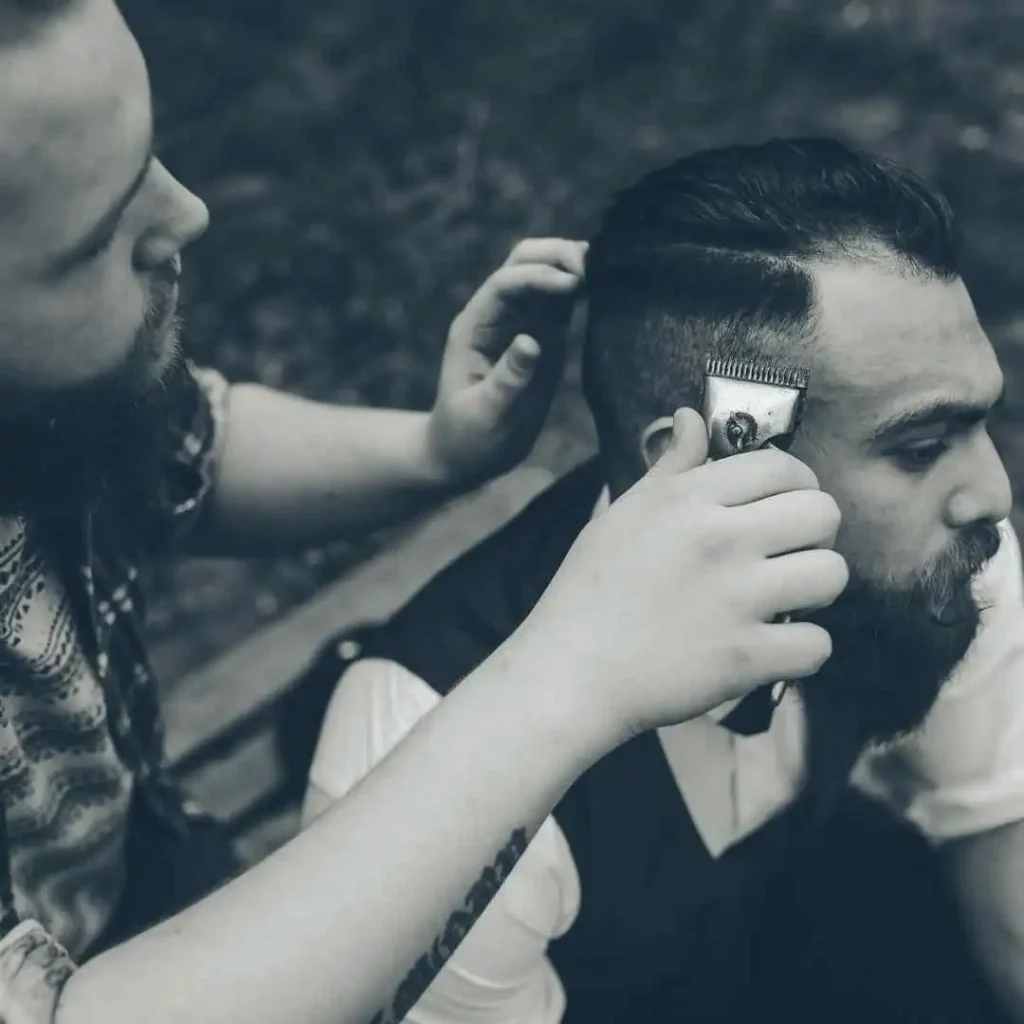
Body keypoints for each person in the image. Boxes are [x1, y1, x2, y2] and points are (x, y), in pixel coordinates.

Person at [0, 2, 850, 1023]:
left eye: (150, 158)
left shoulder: (44, 391)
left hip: (138, 859)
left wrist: (437, 453)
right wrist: (568, 670)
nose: (187, 216)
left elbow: (183, 453)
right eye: (97, 238)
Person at [304, 137, 1024, 1024]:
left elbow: (1004, 849)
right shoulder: (422, 768)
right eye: (918, 447)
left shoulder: (939, 546)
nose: (992, 493)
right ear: (724, 461)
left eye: (981, 421)